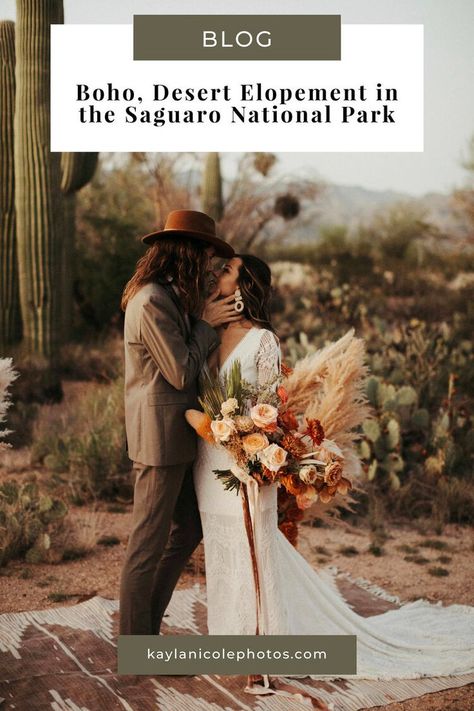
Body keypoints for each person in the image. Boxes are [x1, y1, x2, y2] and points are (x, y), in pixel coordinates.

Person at [192, 253, 474, 702]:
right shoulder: (204, 334)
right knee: (225, 549)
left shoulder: (263, 341)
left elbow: (269, 413)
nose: (218, 273)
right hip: (207, 461)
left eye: (227, 270)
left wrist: (254, 455)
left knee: (254, 552)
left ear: (244, 287)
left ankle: (263, 659)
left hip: (246, 461)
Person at [118, 209, 239, 636]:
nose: (211, 265)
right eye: (207, 255)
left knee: (187, 528)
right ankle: (135, 644)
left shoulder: (170, 298)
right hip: (159, 439)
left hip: (178, 435)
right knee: (146, 546)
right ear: (186, 253)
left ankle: (144, 628)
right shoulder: (151, 300)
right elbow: (180, 372)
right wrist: (206, 325)